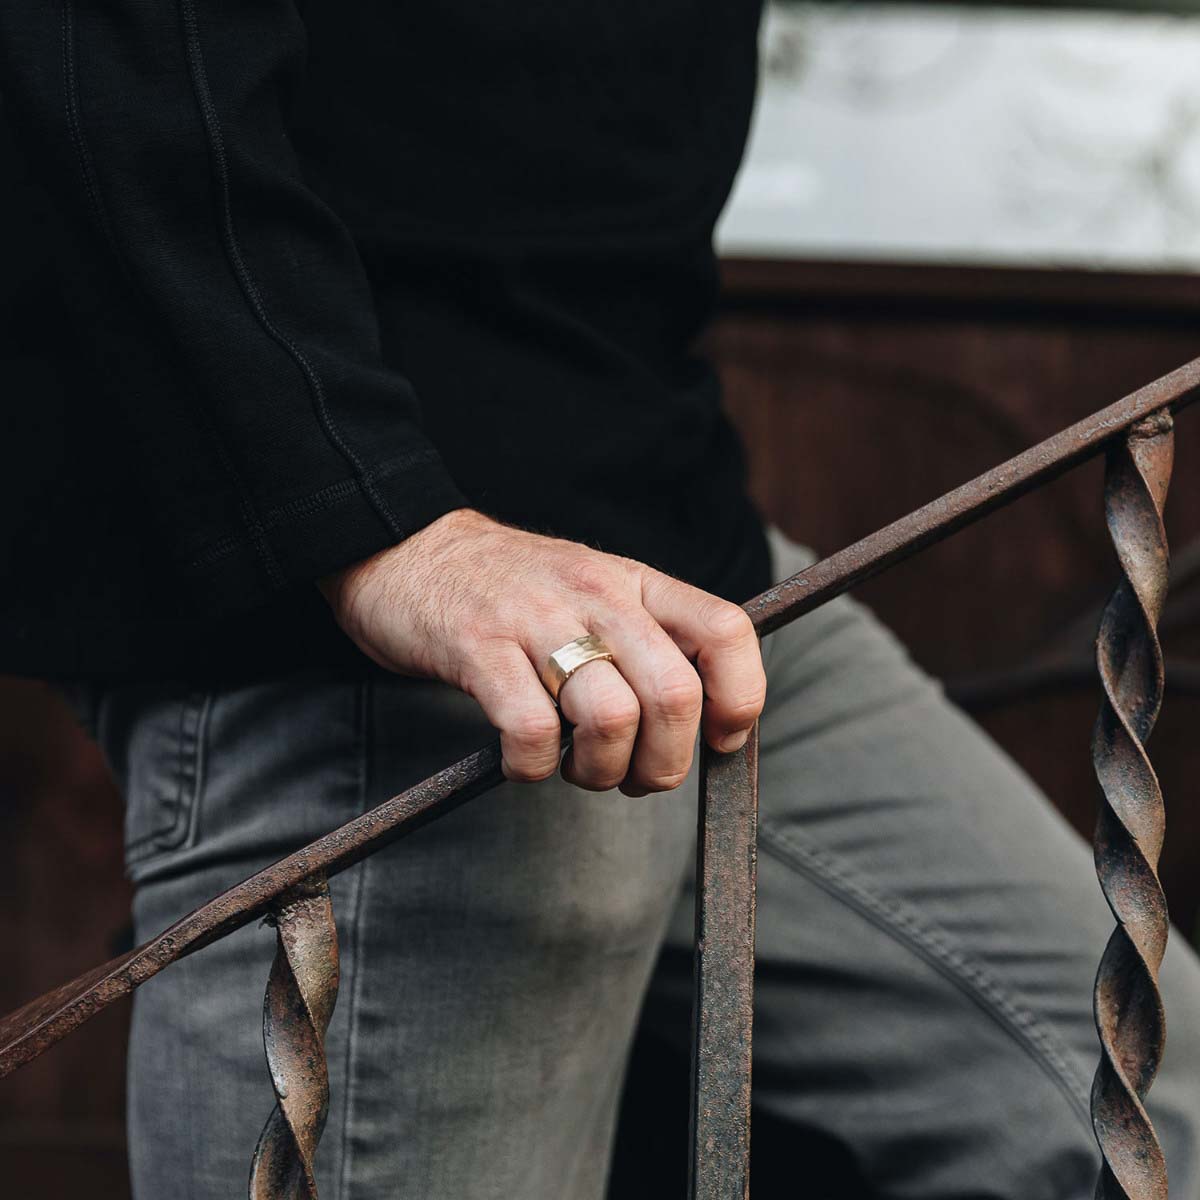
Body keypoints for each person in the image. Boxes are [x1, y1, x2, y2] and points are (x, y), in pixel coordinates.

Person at [1, 3, 1197, 1197]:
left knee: (1155, 1112)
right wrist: (387, 531)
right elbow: (107, 72)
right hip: (381, 641)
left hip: (697, 563)